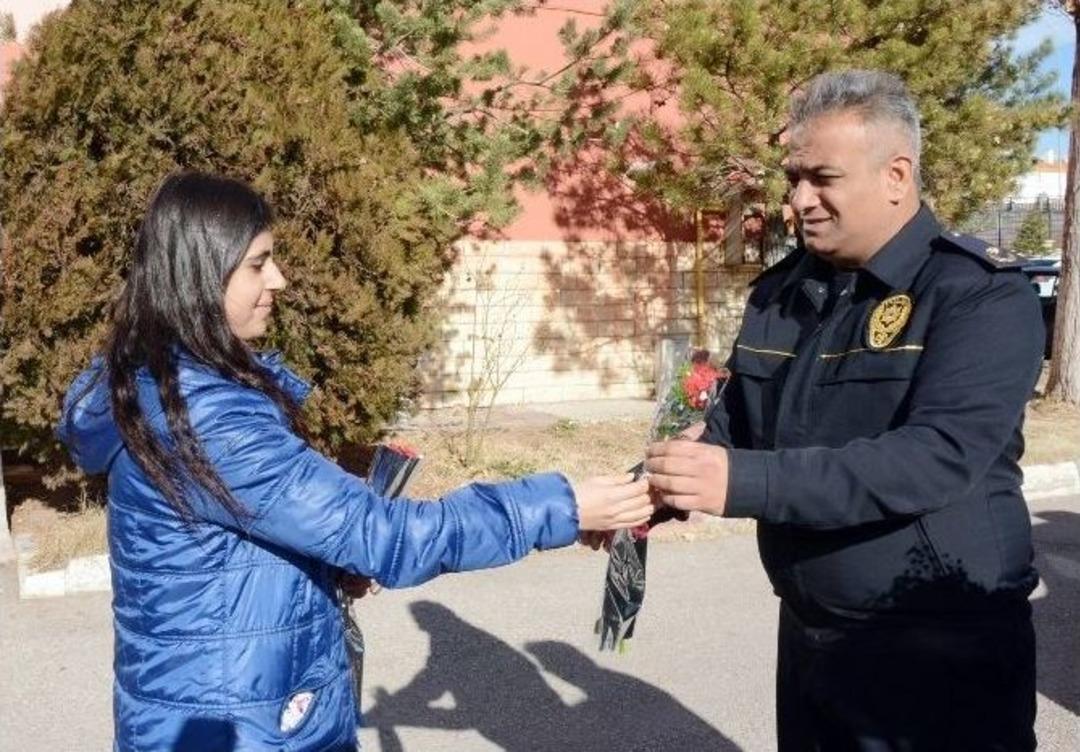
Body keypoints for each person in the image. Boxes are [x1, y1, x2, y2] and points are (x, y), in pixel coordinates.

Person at [57, 171, 653, 752]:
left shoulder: (156, 389)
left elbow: (222, 557)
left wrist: (319, 567)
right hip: (240, 723)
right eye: (258, 264)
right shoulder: (208, 420)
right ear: (200, 276)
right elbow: (386, 535)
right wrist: (563, 505)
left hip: (212, 708)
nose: (280, 281)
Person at [645, 70, 1044, 751]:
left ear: (896, 175)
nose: (799, 199)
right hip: (812, 630)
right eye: (794, 177)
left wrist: (742, 482)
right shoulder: (782, 293)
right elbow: (740, 416)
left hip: (938, 642)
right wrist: (662, 480)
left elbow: (936, 457)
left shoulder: (976, 294)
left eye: (822, 178)